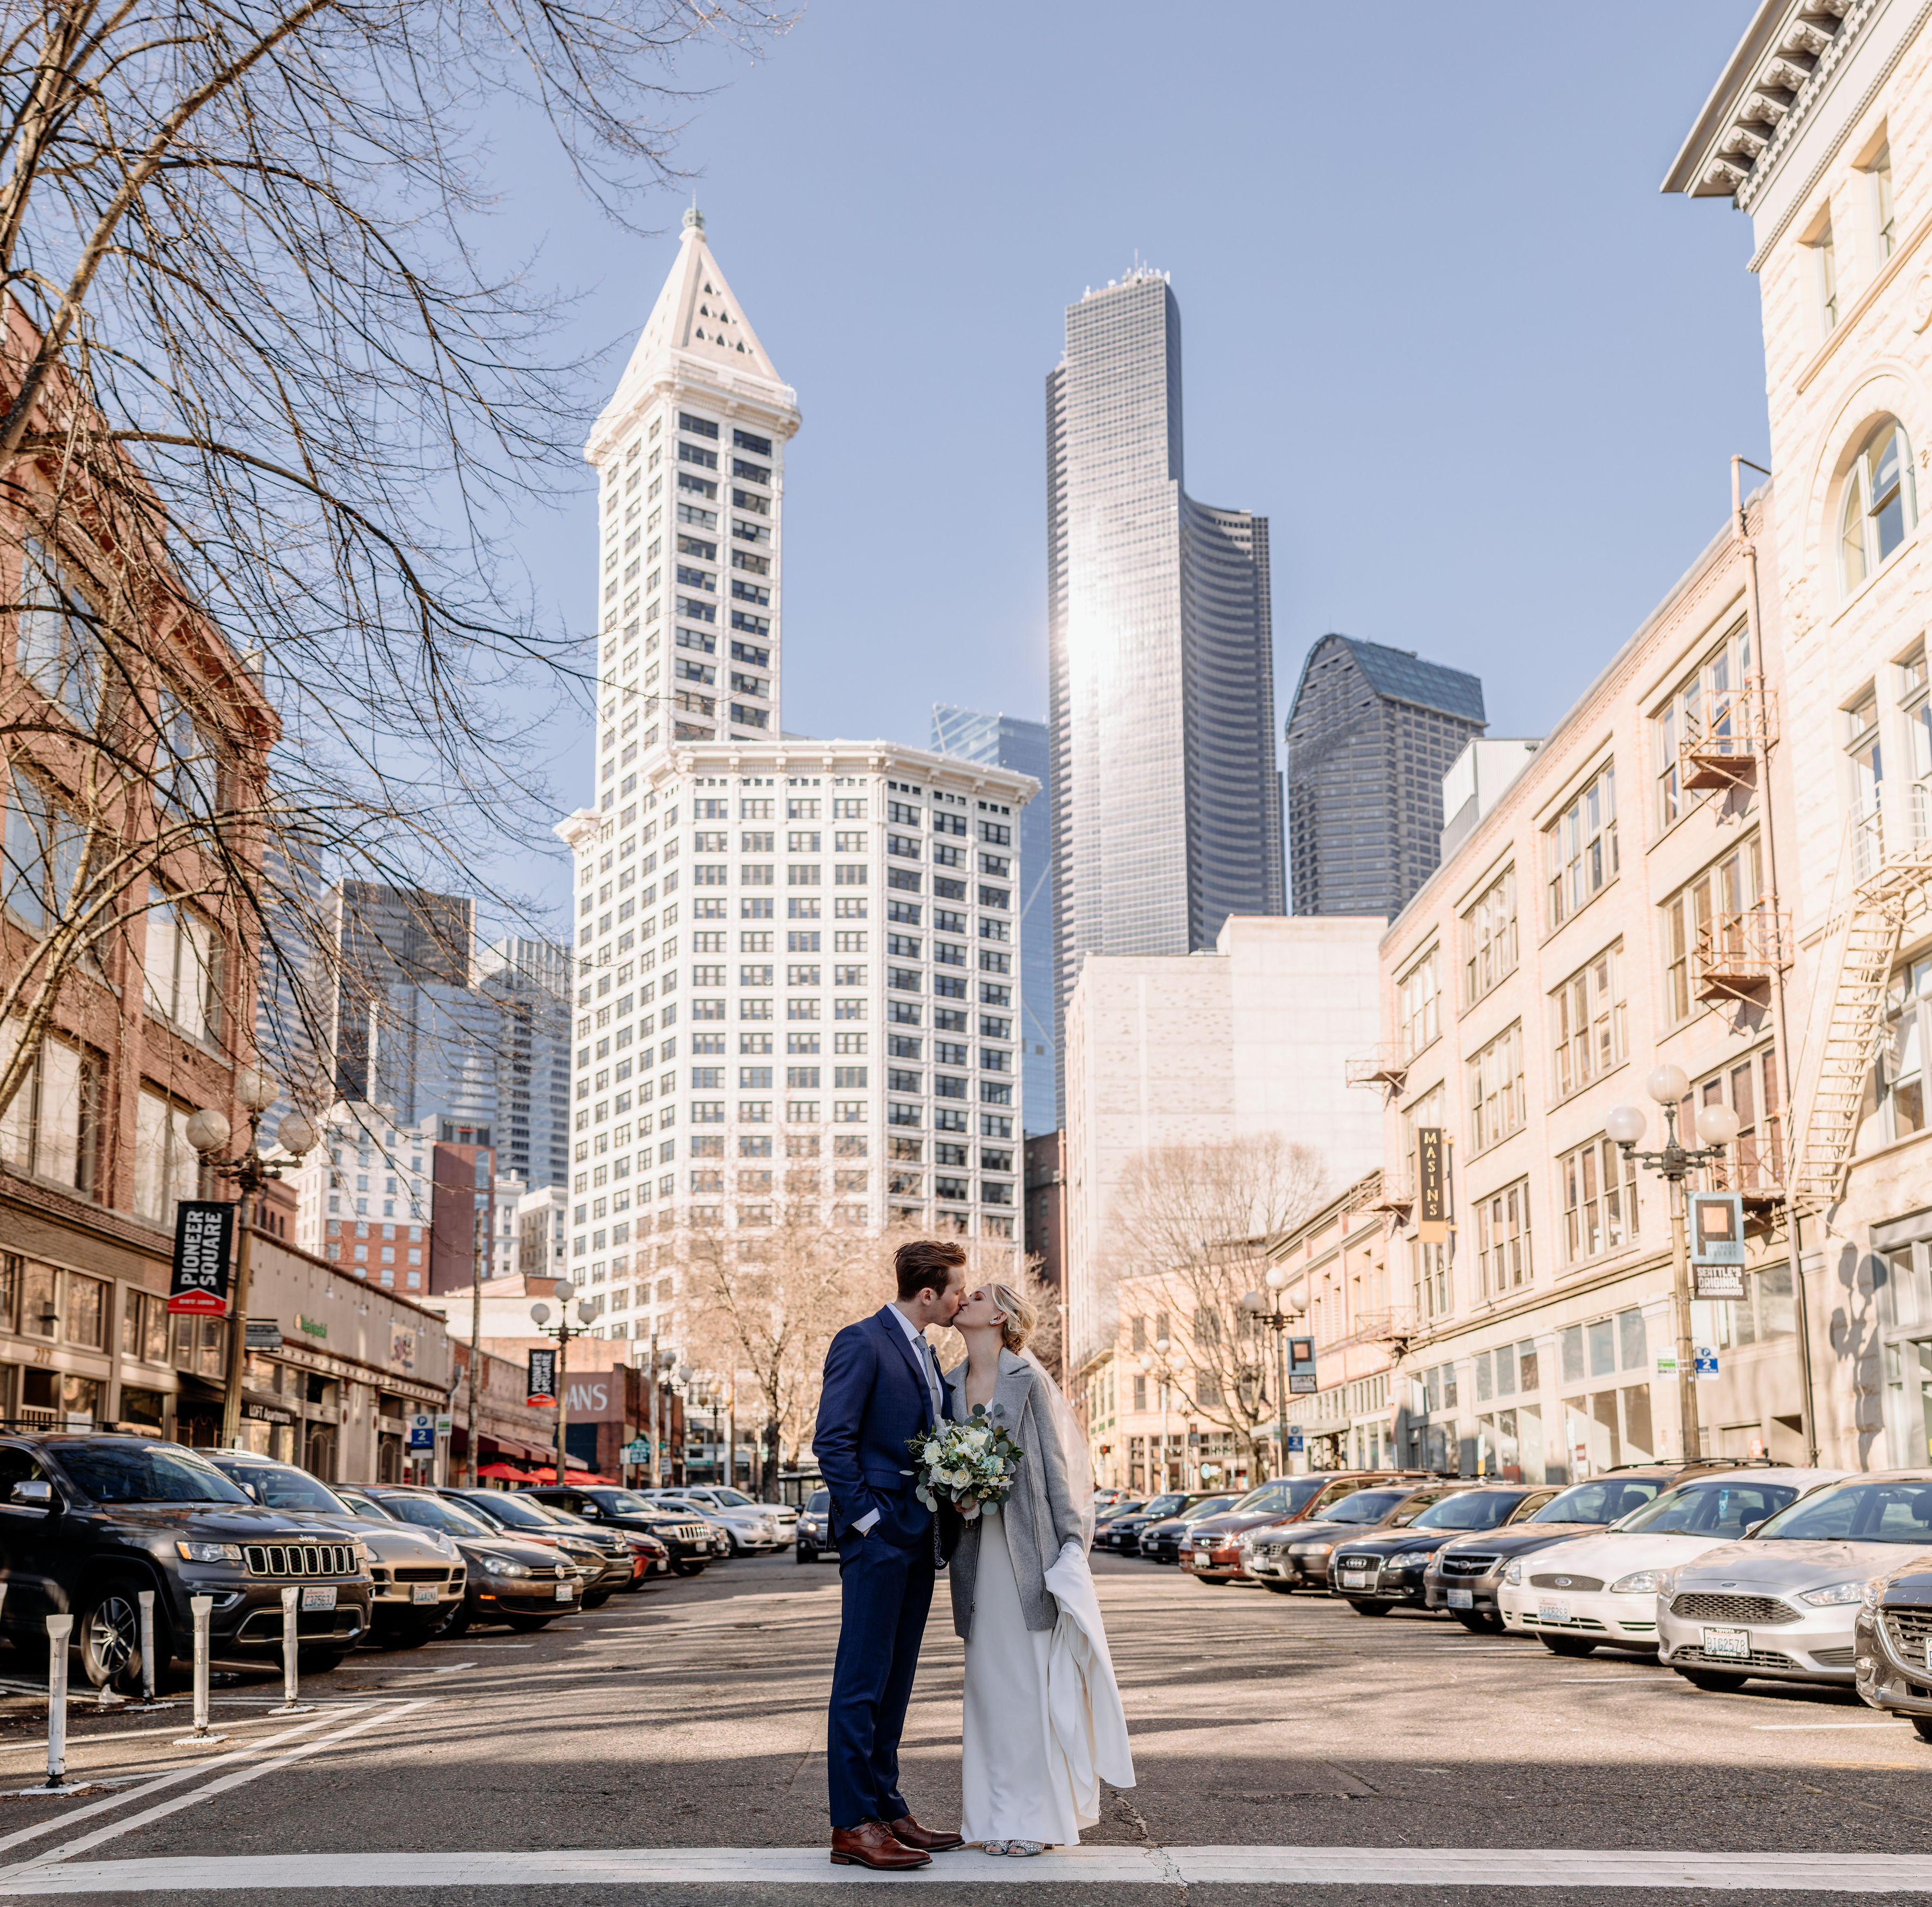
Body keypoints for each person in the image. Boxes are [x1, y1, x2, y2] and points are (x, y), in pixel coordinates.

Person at [945, 1280, 1135, 1856]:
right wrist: (959, 1494)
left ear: (1000, 1315)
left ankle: (1036, 1819)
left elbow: (1057, 1469)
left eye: (975, 1295)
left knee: (1031, 1690)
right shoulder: (946, 1383)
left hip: (1030, 1559)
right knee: (988, 1693)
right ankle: (989, 1818)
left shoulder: (1028, 1380)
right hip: (975, 1559)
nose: (963, 1298)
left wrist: (1072, 1546)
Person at [811, 1238, 970, 1871]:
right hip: (878, 1538)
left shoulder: (926, 1351)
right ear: (927, 1294)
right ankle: (851, 1823)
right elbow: (834, 1440)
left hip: (918, 1534)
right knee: (861, 1679)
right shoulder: (862, 1340)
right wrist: (870, 1519)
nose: (963, 1297)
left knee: (895, 1681)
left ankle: (885, 1805)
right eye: (958, 1287)